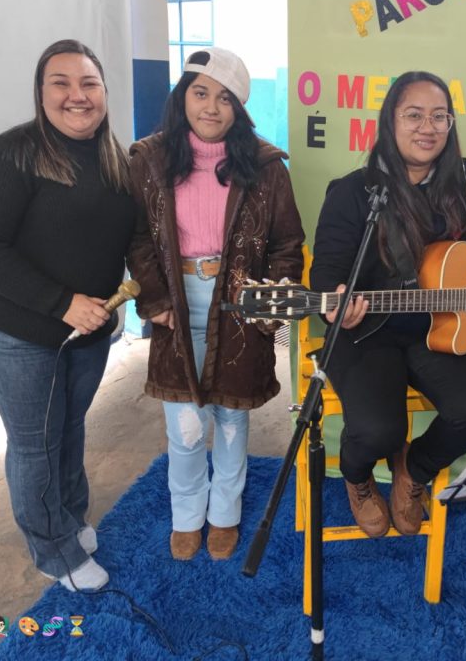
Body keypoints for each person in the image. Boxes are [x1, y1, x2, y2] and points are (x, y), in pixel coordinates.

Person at [309, 71, 466, 538]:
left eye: (439, 117)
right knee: (378, 430)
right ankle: (357, 479)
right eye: (414, 115)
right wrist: (334, 301)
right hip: (370, 331)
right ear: (390, 122)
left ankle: (413, 471)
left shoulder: (465, 180)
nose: (428, 127)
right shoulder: (354, 191)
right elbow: (326, 273)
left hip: (442, 331)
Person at [0, 39, 135, 590]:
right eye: (61, 83)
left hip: (88, 333)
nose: (77, 96)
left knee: (70, 430)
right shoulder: (13, 155)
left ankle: (70, 520)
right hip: (19, 332)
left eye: (89, 84)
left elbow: (123, 238)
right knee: (36, 443)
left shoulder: (113, 158)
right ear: (40, 94)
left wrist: (126, 296)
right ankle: (53, 551)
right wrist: (61, 304)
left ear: (105, 92)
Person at [127, 47, 305, 561]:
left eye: (225, 98)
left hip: (240, 302)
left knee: (231, 416)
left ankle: (224, 511)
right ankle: (186, 514)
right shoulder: (149, 160)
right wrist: (155, 298)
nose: (211, 107)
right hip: (176, 304)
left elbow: (287, 243)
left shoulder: (266, 167)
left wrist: (273, 300)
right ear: (183, 97)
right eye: (200, 93)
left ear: (240, 108)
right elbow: (137, 236)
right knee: (184, 425)